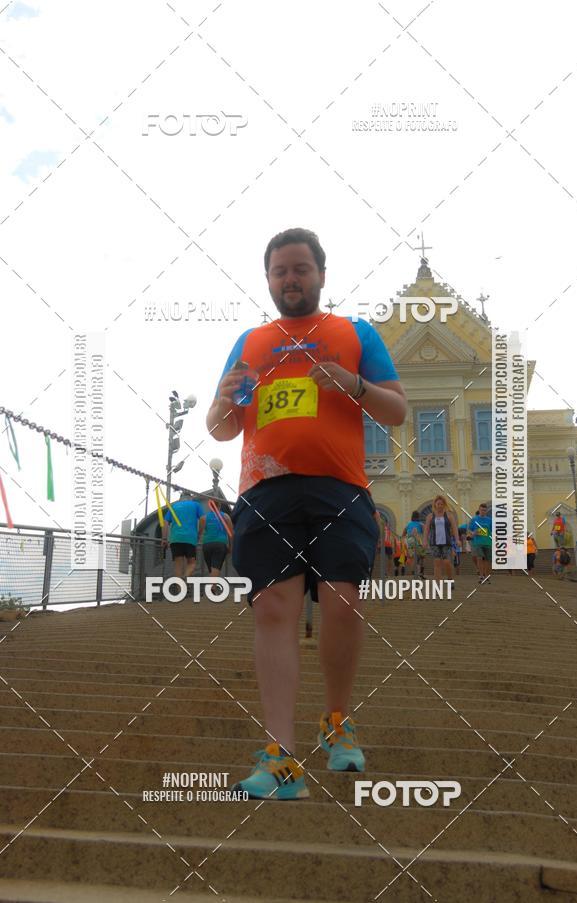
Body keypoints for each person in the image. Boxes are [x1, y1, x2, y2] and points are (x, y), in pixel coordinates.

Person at [207, 227, 407, 800]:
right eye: (279, 272)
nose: (290, 280)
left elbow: (396, 410)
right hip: (265, 489)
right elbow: (221, 429)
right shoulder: (251, 341)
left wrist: (353, 383)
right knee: (273, 608)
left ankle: (337, 722)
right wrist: (223, 400)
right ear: (268, 280)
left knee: (343, 603)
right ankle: (281, 757)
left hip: (339, 487)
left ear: (321, 274)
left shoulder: (355, 333)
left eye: (300, 269)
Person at [161, 492, 203, 598]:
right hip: (190, 538)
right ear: (190, 497)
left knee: (178, 566)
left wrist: (164, 539)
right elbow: (203, 519)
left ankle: (180, 594)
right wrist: (199, 533)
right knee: (192, 563)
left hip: (175, 539)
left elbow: (165, 522)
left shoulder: (174, 506)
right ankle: (185, 576)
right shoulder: (195, 505)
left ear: (180, 498)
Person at [198, 501, 234, 601]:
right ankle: (212, 588)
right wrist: (231, 546)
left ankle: (213, 589)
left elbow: (200, 533)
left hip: (207, 544)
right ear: (220, 506)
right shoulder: (225, 516)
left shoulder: (204, 518)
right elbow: (231, 533)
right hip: (220, 544)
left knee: (212, 569)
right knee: (216, 567)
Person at [423, 496, 460, 582]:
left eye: (442, 504)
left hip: (446, 542)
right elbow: (426, 529)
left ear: (444, 505)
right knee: (437, 562)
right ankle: (437, 584)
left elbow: (454, 528)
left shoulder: (449, 515)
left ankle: (450, 579)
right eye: (438, 504)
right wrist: (425, 541)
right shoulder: (430, 516)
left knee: (447, 562)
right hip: (434, 543)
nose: (440, 505)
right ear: (435, 505)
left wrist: (457, 539)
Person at [467, 503, 493, 584]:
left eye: (485, 510)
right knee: (479, 558)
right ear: (479, 510)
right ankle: (481, 576)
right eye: (482, 510)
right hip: (477, 542)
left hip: (488, 542)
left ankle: (487, 576)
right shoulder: (474, 519)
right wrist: (473, 533)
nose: (483, 511)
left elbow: (493, 531)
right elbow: (469, 530)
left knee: (488, 561)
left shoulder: (490, 520)